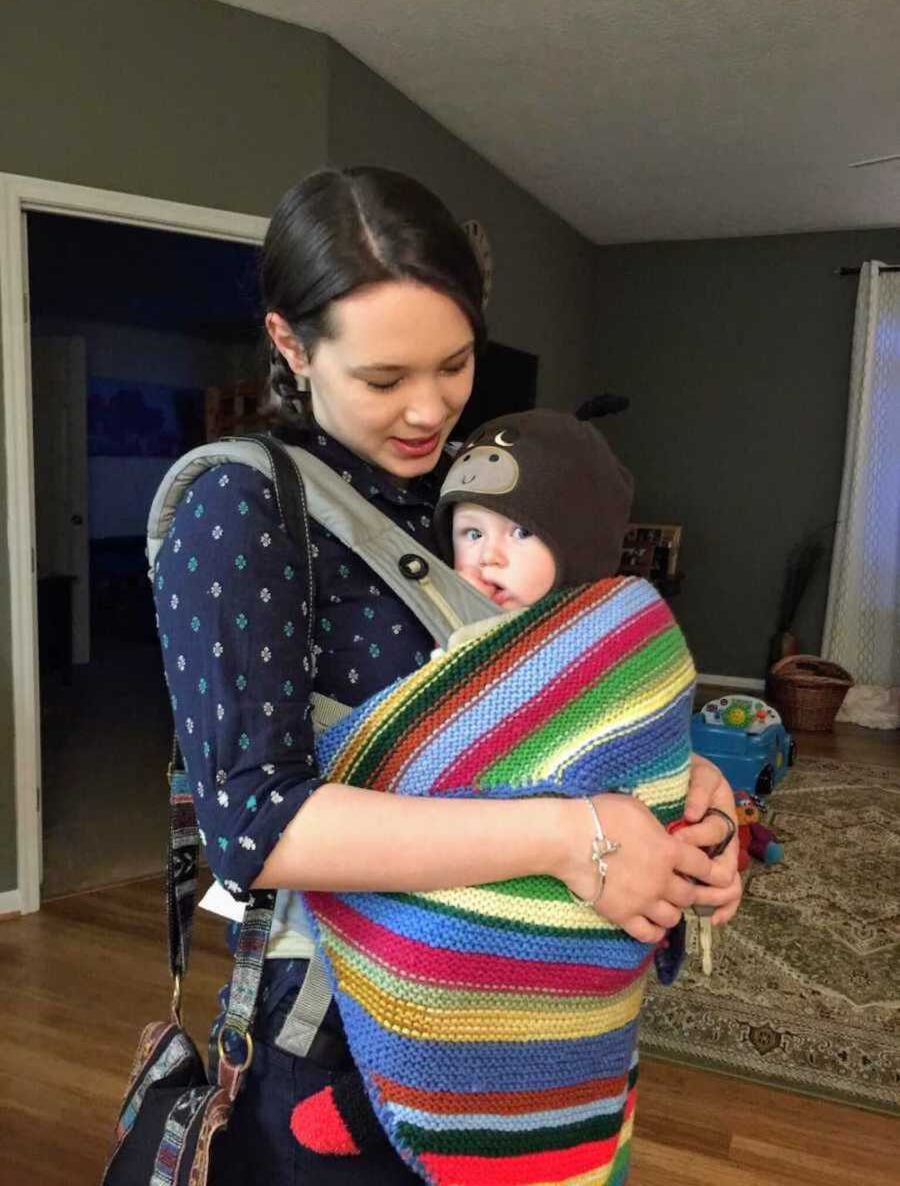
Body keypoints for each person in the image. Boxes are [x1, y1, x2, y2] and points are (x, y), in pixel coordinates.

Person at [152, 166, 740, 1186]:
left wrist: (685, 796)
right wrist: (576, 833)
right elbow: (254, 830)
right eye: (384, 380)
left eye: (456, 363)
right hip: (351, 1037)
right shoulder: (242, 510)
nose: (429, 410)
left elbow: (552, 711)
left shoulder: (472, 497)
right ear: (291, 344)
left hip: (539, 1024)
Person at [285, 407, 725, 1185]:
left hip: (581, 911)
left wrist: (703, 802)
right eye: (471, 532)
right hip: (476, 877)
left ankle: (499, 1114)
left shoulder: (621, 633)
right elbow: (418, 770)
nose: (488, 558)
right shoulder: (440, 637)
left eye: (521, 535)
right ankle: (387, 1097)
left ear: (580, 544)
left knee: (544, 995)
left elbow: (654, 752)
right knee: (427, 954)